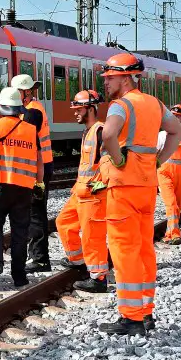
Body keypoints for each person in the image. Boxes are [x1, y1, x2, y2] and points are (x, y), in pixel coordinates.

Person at [99, 53, 181, 335]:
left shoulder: (120, 106)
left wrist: (118, 159)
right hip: (147, 186)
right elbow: (177, 131)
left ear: (126, 78)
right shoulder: (155, 104)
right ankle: (146, 311)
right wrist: (158, 160)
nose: (106, 82)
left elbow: (108, 135)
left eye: (111, 77)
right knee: (144, 248)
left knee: (124, 250)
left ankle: (131, 318)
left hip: (123, 186)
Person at [0, 86, 44, 288]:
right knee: (20, 232)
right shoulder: (31, 130)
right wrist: (39, 182)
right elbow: (39, 160)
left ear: (2, 107)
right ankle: (19, 275)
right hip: (24, 189)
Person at [55, 90, 110, 293]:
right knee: (63, 222)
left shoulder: (101, 131)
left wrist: (101, 184)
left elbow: (114, 161)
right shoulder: (88, 131)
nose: (75, 113)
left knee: (92, 236)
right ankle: (78, 259)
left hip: (94, 194)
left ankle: (98, 278)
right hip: (81, 191)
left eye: (79, 109)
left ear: (91, 109)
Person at [10, 74, 54, 273]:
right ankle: (37, 256)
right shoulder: (32, 109)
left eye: (17, 92)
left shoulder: (31, 113)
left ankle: (40, 259)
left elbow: (28, 144)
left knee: (35, 213)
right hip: (40, 166)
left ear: (25, 92)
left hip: (38, 169)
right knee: (34, 212)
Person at [157, 104, 181, 245]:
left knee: (179, 203)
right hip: (164, 172)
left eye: (178, 117)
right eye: (173, 116)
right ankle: (176, 235)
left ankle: (168, 234)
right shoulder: (162, 135)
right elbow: (154, 154)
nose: (175, 119)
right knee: (171, 203)